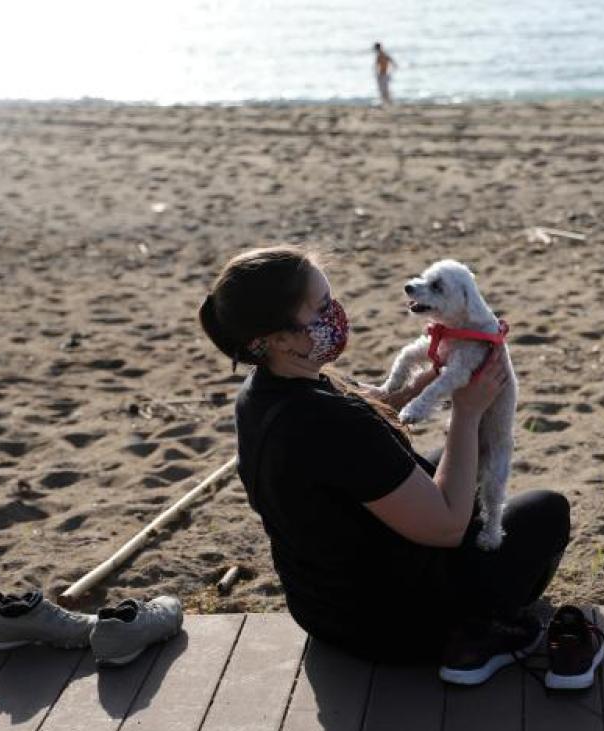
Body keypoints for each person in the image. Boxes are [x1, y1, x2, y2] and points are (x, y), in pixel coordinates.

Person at [198, 246, 574, 684]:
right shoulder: (335, 424)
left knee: (452, 465)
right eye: (322, 307)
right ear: (280, 338)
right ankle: (473, 630)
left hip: (319, 606)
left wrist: (413, 389)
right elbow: (448, 528)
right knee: (546, 512)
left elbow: (363, 415)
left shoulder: (262, 390)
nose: (336, 314)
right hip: (390, 628)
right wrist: (467, 412)